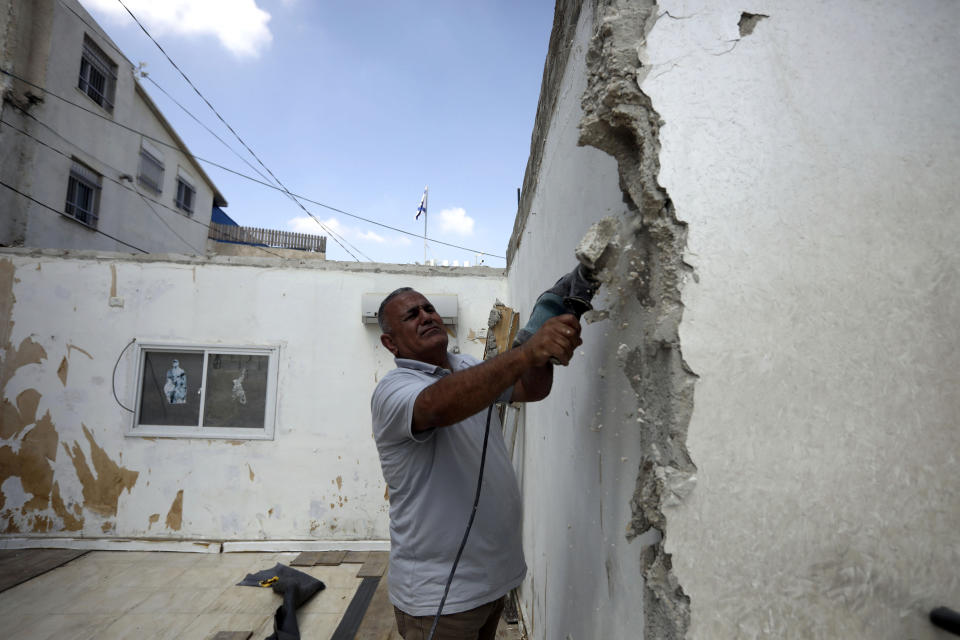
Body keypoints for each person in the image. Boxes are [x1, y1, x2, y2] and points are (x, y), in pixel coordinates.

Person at [371, 287, 582, 640]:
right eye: (412, 315)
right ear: (391, 344)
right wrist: (526, 351)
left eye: (429, 309)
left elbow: (531, 389)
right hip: (440, 594)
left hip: (491, 583)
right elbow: (438, 406)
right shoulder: (393, 390)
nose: (426, 316)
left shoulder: (466, 365)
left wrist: (545, 335)